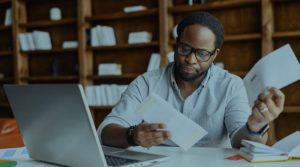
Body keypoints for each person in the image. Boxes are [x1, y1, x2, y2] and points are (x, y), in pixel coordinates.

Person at [97, 11, 285, 148]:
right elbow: (105, 131)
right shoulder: (146, 83)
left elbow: (240, 140)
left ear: (214, 55)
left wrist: (254, 126)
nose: (190, 59)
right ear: (176, 44)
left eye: (202, 53)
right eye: (185, 49)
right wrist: (132, 135)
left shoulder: (230, 85)